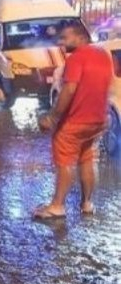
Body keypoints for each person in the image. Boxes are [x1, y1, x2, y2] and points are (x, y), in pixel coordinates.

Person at [35, 21, 113, 219]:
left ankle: (57, 206)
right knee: (87, 158)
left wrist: (52, 118)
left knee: (65, 161)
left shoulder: (77, 58)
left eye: (65, 37)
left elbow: (70, 89)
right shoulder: (104, 54)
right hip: (99, 120)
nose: (62, 42)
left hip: (76, 120)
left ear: (81, 38)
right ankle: (87, 203)